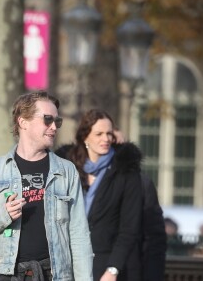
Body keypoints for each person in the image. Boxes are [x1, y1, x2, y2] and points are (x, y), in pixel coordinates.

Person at [0, 91, 93, 281]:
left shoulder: (66, 170)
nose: (54, 127)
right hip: (9, 274)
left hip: (55, 274)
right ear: (23, 122)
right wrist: (3, 215)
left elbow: (78, 234)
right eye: (47, 119)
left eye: (57, 121)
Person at [57, 109, 143, 281]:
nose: (106, 139)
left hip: (106, 265)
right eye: (99, 134)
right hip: (67, 262)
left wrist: (113, 269)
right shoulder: (65, 168)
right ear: (85, 136)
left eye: (109, 134)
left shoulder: (126, 172)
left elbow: (129, 229)